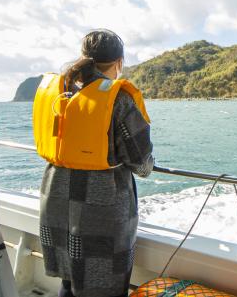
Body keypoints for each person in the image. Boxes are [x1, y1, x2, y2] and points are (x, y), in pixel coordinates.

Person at [33, 29, 154, 297]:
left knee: (68, 281)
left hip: (55, 203)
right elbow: (142, 165)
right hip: (99, 213)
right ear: (119, 63)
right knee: (105, 288)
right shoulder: (118, 99)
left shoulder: (60, 93)